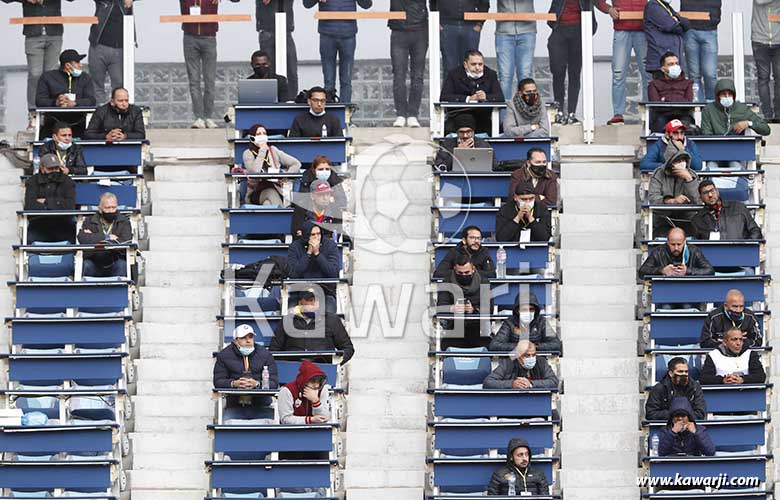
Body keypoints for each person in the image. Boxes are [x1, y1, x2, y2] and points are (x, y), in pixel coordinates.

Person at [3, 0, 75, 125]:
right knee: (35, 74)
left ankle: (51, 113)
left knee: (52, 74)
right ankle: (33, 113)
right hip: (33, 34)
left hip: (54, 33)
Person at [180, 0, 236, 129]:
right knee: (194, 81)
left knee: (209, 80)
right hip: (190, 37)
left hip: (209, 37)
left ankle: (208, 117)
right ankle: (199, 117)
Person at [303, 0, 372, 104]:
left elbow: (367, 5)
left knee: (346, 81)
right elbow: (306, 4)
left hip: (348, 35)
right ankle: (330, 112)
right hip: (327, 35)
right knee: (329, 82)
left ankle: (345, 112)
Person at [595, 0, 649, 126]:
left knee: (648, 74)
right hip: (621, 29)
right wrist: (608, 9)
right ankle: (618, 115)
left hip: (643, 30)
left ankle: (649, 112)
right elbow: (597, 1)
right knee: (618, 74)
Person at [213, 324, 279, 421]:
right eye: (243, 338)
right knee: (227, 424)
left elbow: (274, 383)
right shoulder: (224, 355)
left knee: (271, 424)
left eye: (251, 337)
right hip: (234, 406)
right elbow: (218, 381)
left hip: (262, 405)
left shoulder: (265, 355)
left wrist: (257, 384)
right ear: (235, 341)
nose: (248, 341)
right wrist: (234, 383)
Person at [547, 0, 598, 125]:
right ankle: (559, 112)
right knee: (558, 72)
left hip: (578, 31)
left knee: (574, 74)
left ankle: (571, 113)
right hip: (559, 30)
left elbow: (594, 9)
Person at [270, 289, 355, 364]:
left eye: (316, 300)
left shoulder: (332, 320)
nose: (313, 303)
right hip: (293, 367)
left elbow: (347, 348)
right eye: (309, 300)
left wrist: (336, 365)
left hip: (323, 368)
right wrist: (284, 366)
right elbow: (274, 350)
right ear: (300, 302)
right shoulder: (287, 320)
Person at [440, 50, 504, 135]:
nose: (477, 67)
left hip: (482, 118)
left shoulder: (491, 74)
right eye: (473, 64)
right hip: (458, 116)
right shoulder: (454, 74)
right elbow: (444, 97)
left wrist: (486, 97)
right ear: (465, 65)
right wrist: (468, 99)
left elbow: (500, 97)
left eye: (480, 64)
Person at [36, 49, 97, 137]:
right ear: (68, 65)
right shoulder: (47, 77)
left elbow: (91, 100)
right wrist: (56, 102)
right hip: (53, 125)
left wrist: (75, 103)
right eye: (77, 62)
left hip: (79, 125)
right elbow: (39, 101)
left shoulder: (85, 78)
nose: (81, 65)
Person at [238, 123, 301, 206]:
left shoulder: (273, 150)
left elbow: (296, 163)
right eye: (259, 134)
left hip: (277, 189)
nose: (262, 136)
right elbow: (255, 172)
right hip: (257, 191)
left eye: (264, 133)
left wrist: (285, 176)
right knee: (271, 192)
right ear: (253, 137)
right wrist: (262, 150)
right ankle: (284, 212)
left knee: (267, 204)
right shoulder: (248, 153)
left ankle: (278, 211)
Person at [436, 254, 490, 349]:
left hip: (477, 330)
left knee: (488, 346)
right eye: (460, 273)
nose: (464, 275)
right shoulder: (446, 281)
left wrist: (473, 310)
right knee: (446, 347)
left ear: (473, 269)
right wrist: (452, 309)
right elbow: (440, 307)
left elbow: (489, 309)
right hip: (454, 330)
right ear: (454, 269)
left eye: (466, 272)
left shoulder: (483, 282)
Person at [287, 222, 342, 313]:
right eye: (313, 235)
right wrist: (308, 253)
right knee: (290, 313)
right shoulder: (295, 246)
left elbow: (333, 272)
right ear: (306, 235)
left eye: (318, 234)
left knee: (330, 313)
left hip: (325, 292)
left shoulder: (330, 245)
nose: (316, 237)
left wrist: (317, 254)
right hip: (299, 293)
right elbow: (293, 273)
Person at [389, 0, 428, 128]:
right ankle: (400, 114)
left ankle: (413, 114)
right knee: (399, 75)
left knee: (417, 75)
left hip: (420, 30)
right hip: (398, 30)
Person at [647, 146, 700, 236]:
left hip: (688, 220)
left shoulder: (692, 175)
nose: (681, 163)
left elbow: (698, 200)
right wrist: (671, 201)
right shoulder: (658, 174)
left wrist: (689, 179)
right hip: (663, 220)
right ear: (670, 163)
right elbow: (653, 198)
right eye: (678, 161)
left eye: (683, 160)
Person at [24, 153, 76, 243]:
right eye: (50, 169)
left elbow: (70, 205)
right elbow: (30, 206)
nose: (54, 171)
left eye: (56, 168)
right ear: (42, 169)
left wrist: (46, 202)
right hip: (38, 223)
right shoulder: (32, 182)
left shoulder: (67, 181)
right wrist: (58, 204)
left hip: (63, 223)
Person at [89, 0, 134, 104]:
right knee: (96, 83)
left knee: (119, 84)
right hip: (98, 45)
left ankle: (116, 111)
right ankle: (100, 110)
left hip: (120, 48)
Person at [77, 192, 132, 278]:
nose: (111, 211)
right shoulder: (89, 221)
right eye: (107, 208)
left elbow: (126, 241)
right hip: (93, 261)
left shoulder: (124, 222)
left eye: (113, 207)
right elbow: (83, 239)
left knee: (122, 265)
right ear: (100, 209)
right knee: (86, 265)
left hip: (115, 261)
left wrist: (95, 237)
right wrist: (107, 237)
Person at [495, 0, 537, 105]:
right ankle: (505, 113)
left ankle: (525, 111)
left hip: (527, 30)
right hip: (504, 30)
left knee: (525, 75)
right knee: (505, 76)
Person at [690, 180, 762, 241]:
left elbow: (755, 231)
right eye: (705, 193)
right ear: (700, 198)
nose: (710, 195)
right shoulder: (697, 220)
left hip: (740, 251)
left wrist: (746, 248)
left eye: (712, 191)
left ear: (717, 192)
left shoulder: (738, 207)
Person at [430, 0, 489, 73]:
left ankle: (467, 81)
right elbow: (433, 2)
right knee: (449, 64)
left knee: (470, 62)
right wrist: (436, 21)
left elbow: (484, 3)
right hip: (447, 25)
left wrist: (480, 23)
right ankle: (450, 81)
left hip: (470, 26)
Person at [254, 0, 298, 99]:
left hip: (286, 30)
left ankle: (291, 101)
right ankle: (271, 101)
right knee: (268, 71)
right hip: (267, 30)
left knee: (291, 70)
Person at [489, 292, 561, 352]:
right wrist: (519, 347)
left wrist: (535, 346)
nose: (528, 312)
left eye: (531, 309)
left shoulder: (541, 322)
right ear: (517, 311)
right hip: (514, 360)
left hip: (537, 359)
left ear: (536, 310)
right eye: (524, 309)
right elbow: (494, 345)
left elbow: (556, 344)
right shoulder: (509, 322)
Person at [680, 0, 721, 102]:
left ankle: (712, 104)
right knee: (694, 74)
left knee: (710, 73)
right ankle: (697, 105)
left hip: (710, 30)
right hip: (690, 30)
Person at [702, 78, 771, 137]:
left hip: (738, 145)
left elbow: (766, 129)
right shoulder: (708, 110)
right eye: (723, 94)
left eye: (730, 94)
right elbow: (707, 135)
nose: (727, 97)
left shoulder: (742, 109)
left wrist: (748, 123)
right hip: (715, 146)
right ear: (718, 96)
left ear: (734, 96)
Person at [638, 227, 714, 278]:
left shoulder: (694, 251)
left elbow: (710, 271)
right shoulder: (658, 252)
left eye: (679, 244)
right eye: (673, 244)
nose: (676, 248)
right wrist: (662, 270)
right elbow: (642, 272)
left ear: (684, 242)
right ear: (667, 242)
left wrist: (687, 271)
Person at [648, 52, 695, 133]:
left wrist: (665, 100)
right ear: (663, 69)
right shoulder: (654, 84)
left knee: (687, 125)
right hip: (662, 116)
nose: (675, 66)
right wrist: (679, 100)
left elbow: (688, 103)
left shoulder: (688, 83)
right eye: (671, 64)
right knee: (659, 122)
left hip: (683, 115)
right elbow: (656, 105)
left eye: (677, 63)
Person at [700, 328, 766, 385]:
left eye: (741, 339)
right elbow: (704, 378)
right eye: (734, 339)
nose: (738, 343)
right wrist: (723, 380)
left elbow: (761, 376)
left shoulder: (750, 354)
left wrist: (743, 379)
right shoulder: (714, 355)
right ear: (725, 342)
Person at [483, 340, 559, 389]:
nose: (531, 358)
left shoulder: (541, 362)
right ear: (518, 355)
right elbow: (488, 382)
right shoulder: (507, 363)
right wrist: (512, 384)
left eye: (533, 355)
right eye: (527, 355)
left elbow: (554, 381)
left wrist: (531, 384)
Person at [751, 0, 780, 122]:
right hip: (760, 40)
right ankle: (767, 114)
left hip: (778, 41)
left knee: (779, 78)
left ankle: (778, 115)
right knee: (763, 78)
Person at [643, 0, 690, 76]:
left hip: (674, 60)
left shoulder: (666, 7)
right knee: (660, 83)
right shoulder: (653, 6)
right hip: (660, 60)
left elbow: (687, 24)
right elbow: (670, 26)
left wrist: (677, 19)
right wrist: (680, 26)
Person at [278, 360, 330, 425]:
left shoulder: (322, 389)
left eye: (319, 381)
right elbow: (285, 419)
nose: (316, 385)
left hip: (316, 429)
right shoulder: (287, 391)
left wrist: (316, 402)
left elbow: (324, 418)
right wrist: (310, 420)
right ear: (304, 380)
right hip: (291, 430)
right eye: (313, 381)